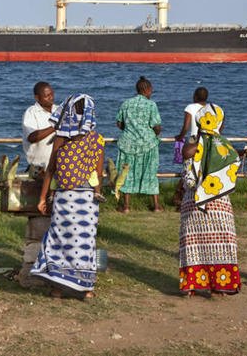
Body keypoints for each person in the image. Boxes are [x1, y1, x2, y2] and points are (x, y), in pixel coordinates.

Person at [32, 94, 104, 299]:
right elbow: (98, 174)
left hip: (65, 198)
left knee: (60, 240)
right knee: (85, 242)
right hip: (88, 200)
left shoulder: (62, 138)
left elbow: (50, 170)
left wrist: (42, 198)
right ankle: (86, 288)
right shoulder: (97, 139)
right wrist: (97, 193)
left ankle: (57, 287)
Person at [178, 104, 241, 296]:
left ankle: (192, 284)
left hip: (193, 203)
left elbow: (188, 170)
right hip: (219, 204)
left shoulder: (190, 147)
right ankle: (221, 284)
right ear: (220, 125)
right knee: (222, 242)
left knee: (193, 243)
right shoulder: (227, 149)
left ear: (198, 121)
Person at [18, 81, 56, 288]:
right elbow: (32, 137)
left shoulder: (59, 111)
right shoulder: (31, 113)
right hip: (39, 171)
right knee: (38, 221)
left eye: (51, 94)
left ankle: (53, 265)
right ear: (37, 98)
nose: (50, 98)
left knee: (56, 219)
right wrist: (54, 127)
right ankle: (31, 269)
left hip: (58, 172)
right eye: (46, 95)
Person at [116, 76, 163, 212]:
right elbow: (157, 126)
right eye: (151, 90)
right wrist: (156, 133)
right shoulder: (151, 105)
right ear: (147, 90)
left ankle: (126, 206)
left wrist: (129, 130)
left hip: (128, 143)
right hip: (148, 144)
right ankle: (156, 206)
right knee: (151, 173)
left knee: (126, 173)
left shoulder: (126, 104)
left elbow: (119, 123)